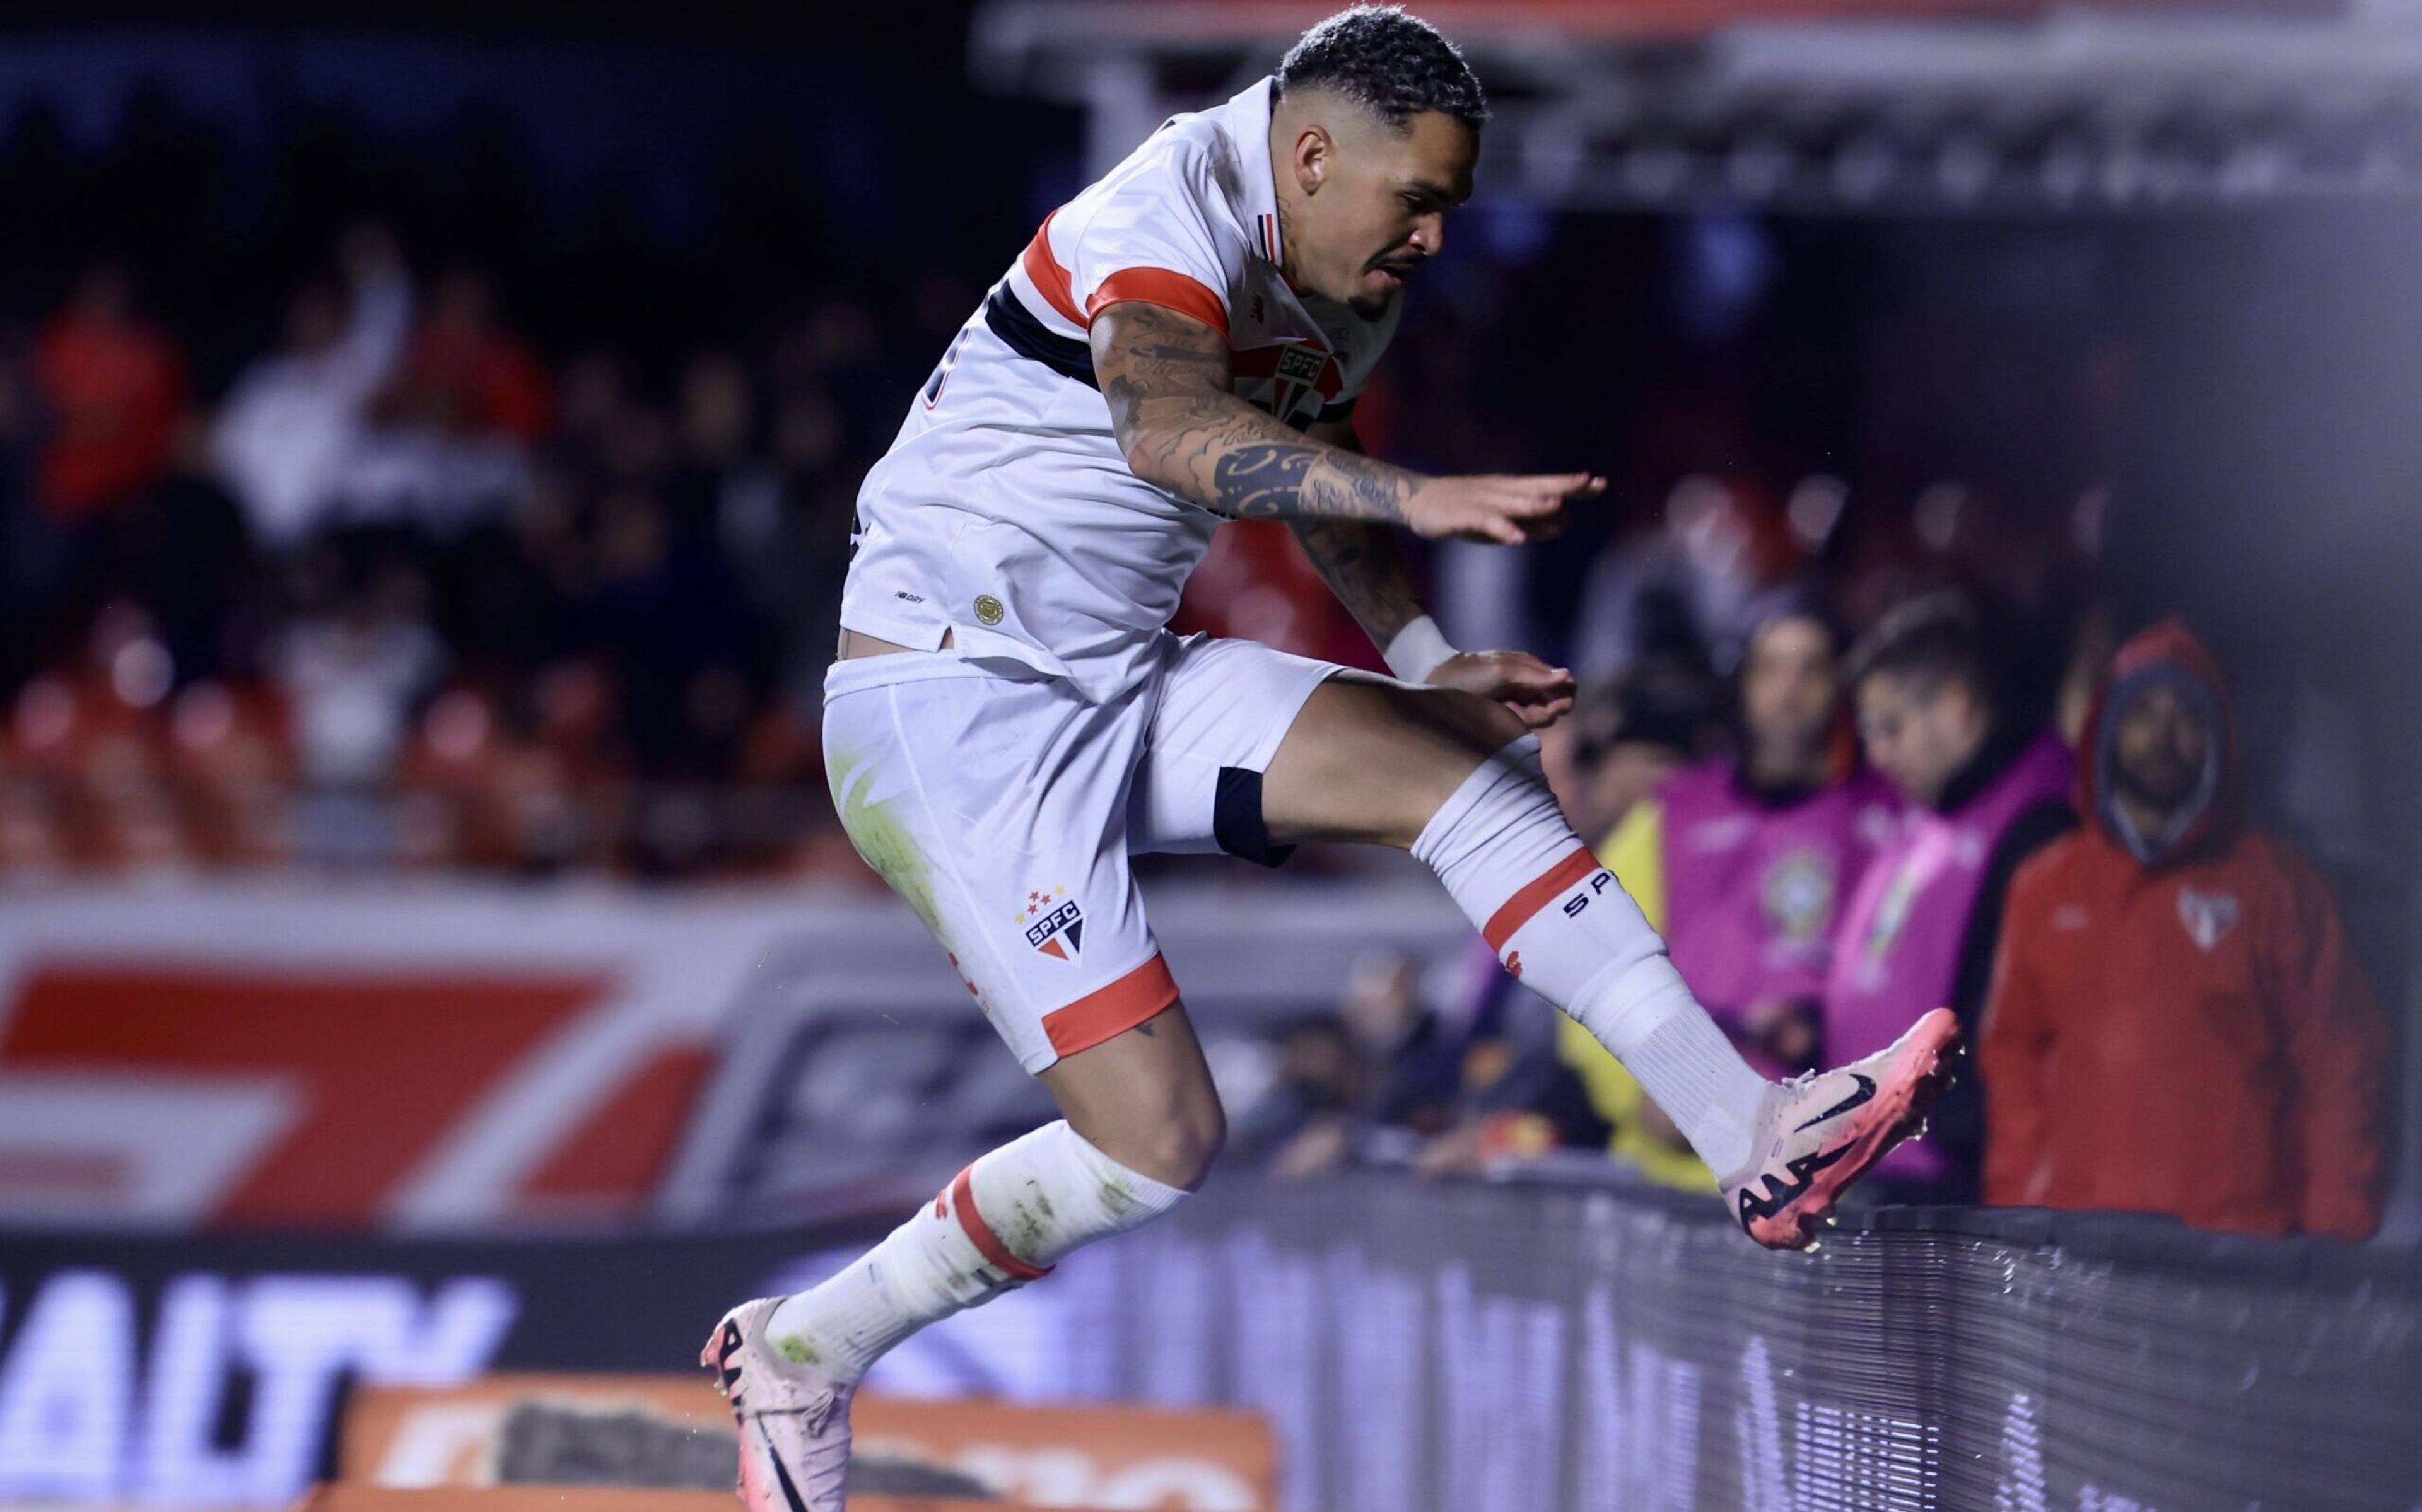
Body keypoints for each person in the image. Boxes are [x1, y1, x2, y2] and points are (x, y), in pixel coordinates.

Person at [703, 13, 1956, 1506]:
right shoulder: (1152, 223)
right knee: (1159, 1142)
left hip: (1110, 673)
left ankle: (1748, 1127)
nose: (1430, 241)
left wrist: (1424, 660)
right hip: (949, 709)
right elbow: (1168, 428)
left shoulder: (1337, 267)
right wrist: (1422, 494)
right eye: (1412, 202)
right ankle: (810, 1345)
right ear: (1308, 158)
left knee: (1458, 766)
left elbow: (1306, 451)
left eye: (1448, 207)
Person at [1980, 621, 2387, 1238]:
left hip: (2240, 1255)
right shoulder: (2044, 886)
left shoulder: (2277, 886)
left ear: (2219, 735)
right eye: (2144, 712)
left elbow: (2339, 1064)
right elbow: (2012, 1060)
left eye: (2186, 715)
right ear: (2108, 729)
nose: (2165, 735)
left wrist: (2332, 1235)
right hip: (2080, 1253)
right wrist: (2017, 1223)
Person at [1564, 588, 1898, 1190]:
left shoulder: (1890, 821)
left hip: (1828, 1180)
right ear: (1740, 683)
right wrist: (1634, 1096)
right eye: (1770, 668)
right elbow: (1586, 957)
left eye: (1811, 669)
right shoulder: (1673, 815)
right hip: (1674, 1182)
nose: (1789, 692)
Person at [1825, 591, 2075, 1201]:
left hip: (1956, 1189)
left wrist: (1955, 1131)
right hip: (1885, 1166)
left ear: (1956, 707)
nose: (1877, 755)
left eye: (1891, 728)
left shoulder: (2034, 830)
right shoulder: (1930, 813)